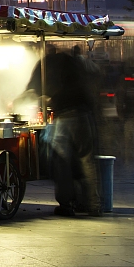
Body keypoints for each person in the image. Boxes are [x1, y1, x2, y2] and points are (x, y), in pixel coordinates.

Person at [39, 48, 101, 216]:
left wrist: (47, 99)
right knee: (87, 162)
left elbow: (47, 93)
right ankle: (93, 205)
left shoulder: (51, 66)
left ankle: (66, 205)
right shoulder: (76, 66)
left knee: (62, 163)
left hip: (64, 118)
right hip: (83, 117)